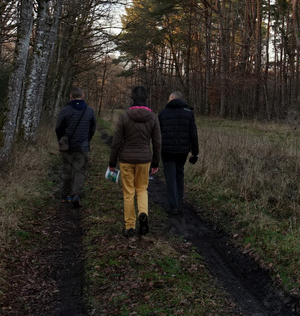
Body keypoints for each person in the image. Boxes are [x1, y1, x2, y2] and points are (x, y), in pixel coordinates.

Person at [108, 85, 161, 237]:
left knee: (128, 193)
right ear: (146, 99)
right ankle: (143, 213)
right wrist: (156, 162)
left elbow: (116, 142)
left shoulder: (125, 116)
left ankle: (129, 226)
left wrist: (112, 163)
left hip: (126, 159)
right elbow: (157, 143)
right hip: (144, 159)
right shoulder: (153, 117)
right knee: (142, 189)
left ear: (132, 99)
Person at [157, 90, 200, 215]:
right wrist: (195, 152)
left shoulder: (163, 113)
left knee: (170, 176)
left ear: (172, 99)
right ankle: (179, 200)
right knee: (179, 173)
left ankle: (173, 205)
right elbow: (193, 133)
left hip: (167, 150)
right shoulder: (189, 113)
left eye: (169, 99)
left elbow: (157, 133)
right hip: (183, 151)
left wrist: (156, 149)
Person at [55, 86, 97, 208]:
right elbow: (93, 128)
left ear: (71, 97)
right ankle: (76, 195)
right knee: (80, 171)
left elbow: (58, 128)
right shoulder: (89, 111)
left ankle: (65, 195)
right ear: (83, 96)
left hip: (67, 145)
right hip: (82, 146)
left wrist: (62, 140)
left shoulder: (65, 110)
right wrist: (87, 139)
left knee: (66, 169)